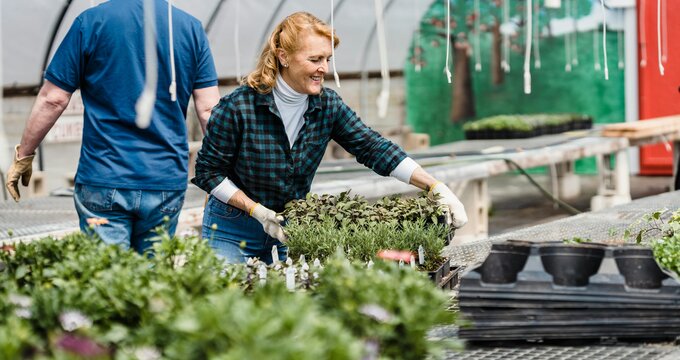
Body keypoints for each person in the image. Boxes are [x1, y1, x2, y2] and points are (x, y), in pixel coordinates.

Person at [192, 12, 467, 264]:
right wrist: (257, 212)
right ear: (283, 57)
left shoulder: (328, 105)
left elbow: (373, 147)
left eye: (327, 59)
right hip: (232, 227)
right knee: (227, 301)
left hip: (291, 228)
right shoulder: (239, 107)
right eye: (314, 59)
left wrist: (435, 186)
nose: (324, 68)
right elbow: (208, 173)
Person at [5, 0, 220, 254]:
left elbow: (53, 99)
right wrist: (220, 173)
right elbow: (208, 111)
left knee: (109, 281)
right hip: (164, 180)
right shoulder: (190, 27)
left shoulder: (91, 22)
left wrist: (24, 154)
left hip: (105, 178)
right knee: (152, 284)